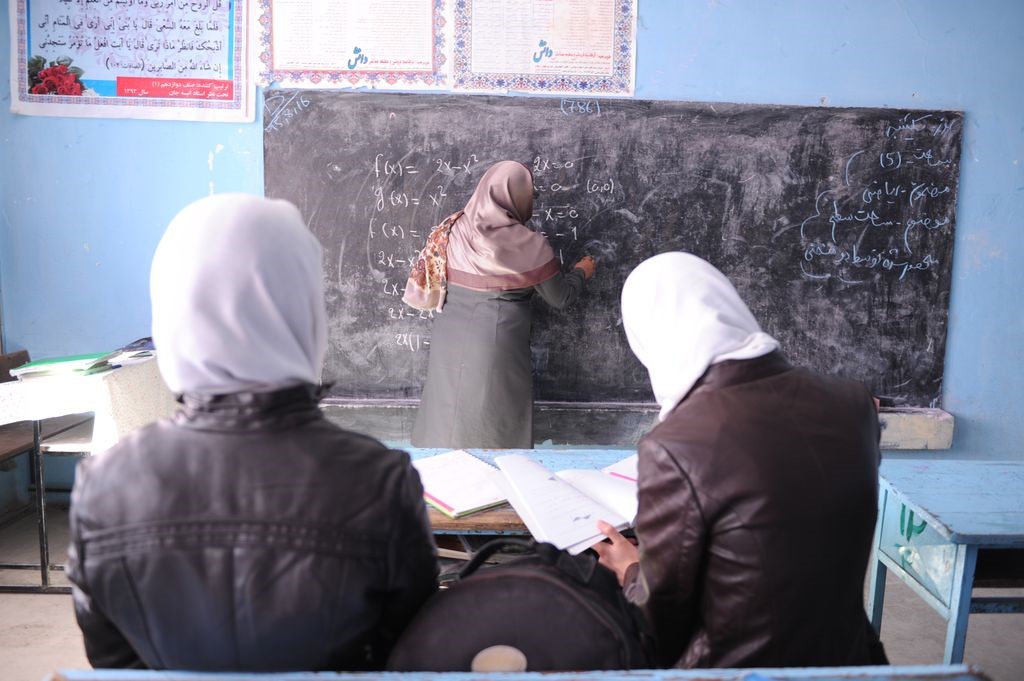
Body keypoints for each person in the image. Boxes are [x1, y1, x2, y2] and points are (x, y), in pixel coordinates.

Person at [66, 194, 439, 671]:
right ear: (306, 310)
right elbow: (408, 652)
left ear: (173, 313)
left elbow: (114, 664)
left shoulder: (103, 484)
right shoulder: (379, 480)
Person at [593, 252, 887, 669]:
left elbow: (658, 629)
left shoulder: (675, 445)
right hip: (850, 664)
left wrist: (631, 571)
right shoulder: (853, 403)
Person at [411, 160, 596, 448]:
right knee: (495, 421)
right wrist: (582, 272)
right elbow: (560, 297)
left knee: (447, 407)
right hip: (497, 339)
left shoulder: (452, 228)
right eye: (531, 195)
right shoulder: (530, 245)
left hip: (448, 334)